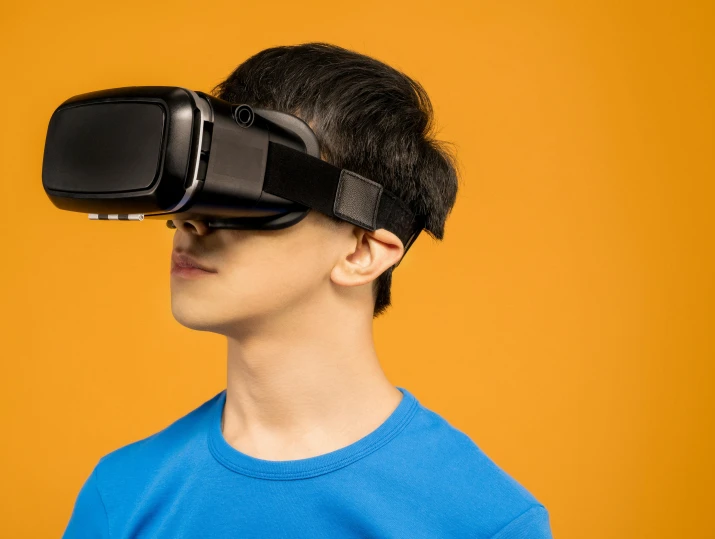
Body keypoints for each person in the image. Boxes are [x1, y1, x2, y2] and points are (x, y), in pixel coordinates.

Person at [62, 42, 552, 538]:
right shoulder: (121, 494)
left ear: (361, 251)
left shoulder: (484, 522)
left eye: (247, 192)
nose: (192, 224)